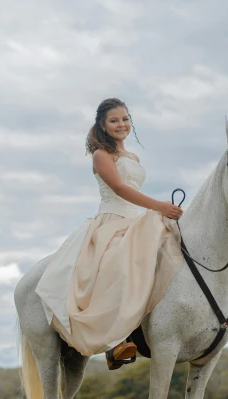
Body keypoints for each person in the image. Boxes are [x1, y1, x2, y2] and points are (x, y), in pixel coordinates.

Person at [35, 98, 184, 370]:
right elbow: (119, 189)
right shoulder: (101, 155)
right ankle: (116, 341)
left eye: (125, 119)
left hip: (135, 219)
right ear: (102, 126)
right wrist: (160, 206)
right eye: (114, 120)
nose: (121, 124)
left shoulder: (134, 158)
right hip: (112, 219)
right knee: (119, 267)